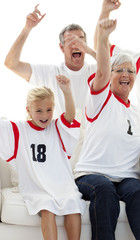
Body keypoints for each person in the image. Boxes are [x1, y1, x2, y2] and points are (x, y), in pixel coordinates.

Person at [74, 16, 140, 240]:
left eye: (130, 71)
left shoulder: (137, 111)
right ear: (110, 75)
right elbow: (101, 71)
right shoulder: (101, 99)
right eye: (119, 70)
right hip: (92, 174)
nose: (125, 75)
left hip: (126, 178)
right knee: (104, 190)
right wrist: (102, 38)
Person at [0, 76, 86, 240]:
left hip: (61, 183)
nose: (45, 115)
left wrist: (67, 91)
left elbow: (70, 116)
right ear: (28, 110)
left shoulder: (57, 127)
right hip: (36, 185)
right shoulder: (19, 129)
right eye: (38, 110)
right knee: (47, 207)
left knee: (73, 205)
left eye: (49, 109)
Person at [4, 4, 97, 121]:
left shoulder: (98, 71)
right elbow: (12, 64)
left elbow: (115, 66)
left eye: (80, 39)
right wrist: (27, 28)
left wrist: (90, 51)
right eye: (70, 40)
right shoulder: (51, 73)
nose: (76, 44)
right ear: (62, 47)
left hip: (94, 139)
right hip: (60, 138)